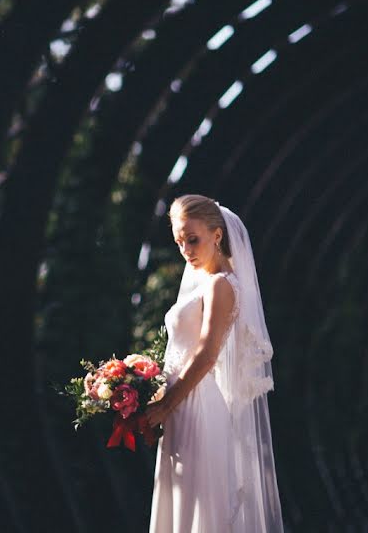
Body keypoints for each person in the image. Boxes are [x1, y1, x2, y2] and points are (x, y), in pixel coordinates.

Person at [144, 194, 283, 532]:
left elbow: (207, 354)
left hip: (195, 405)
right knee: (181, 503)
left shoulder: (221, 286)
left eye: (193, 239)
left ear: (217, 235)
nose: (186, 250)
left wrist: (165, 406)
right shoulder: (202, 283)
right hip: (179, 403)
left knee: (198, 508)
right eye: (179, 242)